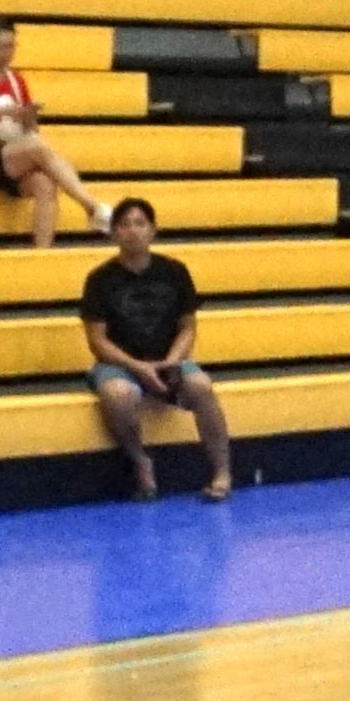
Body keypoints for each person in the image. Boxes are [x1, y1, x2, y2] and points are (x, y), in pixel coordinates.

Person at [79, 195, 231, 501]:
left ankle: (222, 470)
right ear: (114, 234)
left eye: (139, 223)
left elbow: (188, 327)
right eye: (123, 225)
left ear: (152, 230)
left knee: (201, 385)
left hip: (168, 358)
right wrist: (139, 368)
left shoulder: (175, 271)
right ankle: (140, 462)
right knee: (120, 395)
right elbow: (97, 341)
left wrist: (171, 363)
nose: (132, 231)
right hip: (120, 364)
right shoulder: (99, 280)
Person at [0, 20, 89, 247]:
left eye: (11, 46)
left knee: (44, 183)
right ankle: (88, 203)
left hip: (9, 155)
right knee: (37, 149)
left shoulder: (16, 80)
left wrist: (28, 117)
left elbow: (30, 132)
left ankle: (41, 253)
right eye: (1, 47)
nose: (7, 53)